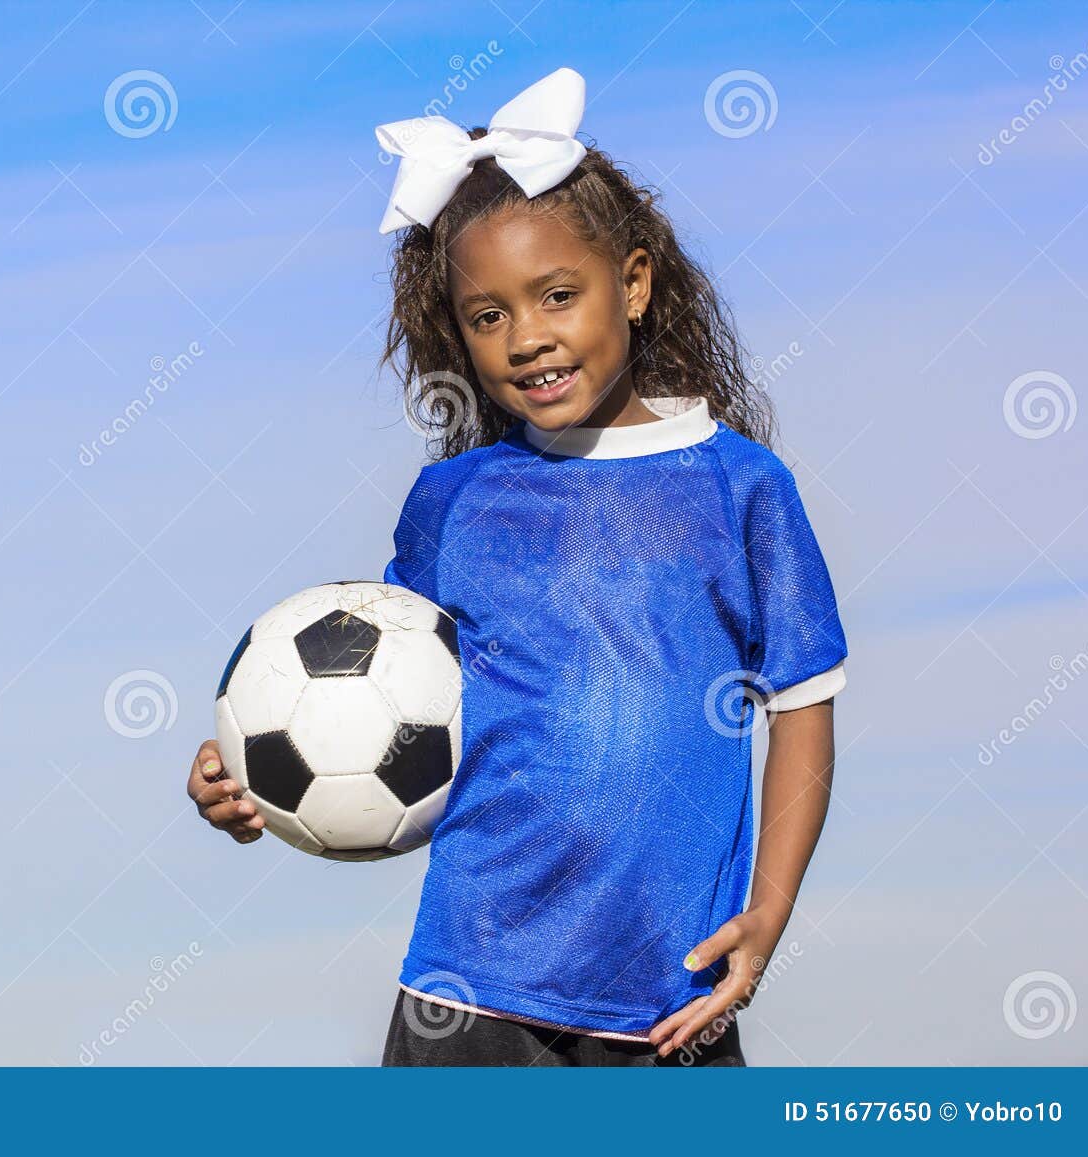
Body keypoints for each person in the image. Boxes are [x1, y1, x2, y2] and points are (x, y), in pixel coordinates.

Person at [186, 66, 845, 1067]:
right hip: (469, 992)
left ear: (631, 284)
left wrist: (771, 906)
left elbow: (802, 704)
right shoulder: (454, 503)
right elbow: (369, 698)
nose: (526, 336)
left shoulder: (739, 488)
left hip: (671, 999)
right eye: (487, 315)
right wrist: (244, 786)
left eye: (557, 295)